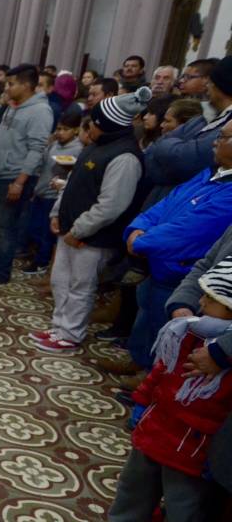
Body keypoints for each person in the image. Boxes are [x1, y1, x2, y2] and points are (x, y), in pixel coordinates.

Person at [93, 256, 232, 522]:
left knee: (183, 500)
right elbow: (162, 369)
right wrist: (143, 399)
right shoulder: (185, 332)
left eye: (209, 299)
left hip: (192, 439)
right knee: (136, 477)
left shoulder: (223, 356)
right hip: (160, 422)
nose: (199, 302)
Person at [31, 88, 150, 354]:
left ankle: (71, 334)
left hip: (92, 237)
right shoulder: (97, 146)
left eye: (95, 123)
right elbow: (73, 183)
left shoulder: (125, 157)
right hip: (69, 229)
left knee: (80, 286)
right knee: (60, 280)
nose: (90, 127)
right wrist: (57, 213)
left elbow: (111, 205)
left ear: (109, 125)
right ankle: (59, 326)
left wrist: (80, 229)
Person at [123, 114, 232, 378]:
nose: (215, 142)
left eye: (223, 137)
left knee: (167, 335)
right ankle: (138, 365)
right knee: (146, 318)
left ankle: (150, 381)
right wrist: (137, 228)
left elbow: (188, 230)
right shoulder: (210, 173)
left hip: (179, 273)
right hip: (157, 264)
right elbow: (164, 205)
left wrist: (142, 241)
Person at [0, 64, 54, 286]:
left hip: (15, 177)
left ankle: (1, 272)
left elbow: (37, 149)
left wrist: (20, 181)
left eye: (11, 84)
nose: (7, 88)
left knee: (7, 227)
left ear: (26, 85)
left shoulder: (40, 111)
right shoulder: (13, 105)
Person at [140, 55, 232, 209]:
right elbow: (151, 152)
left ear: (219, 87)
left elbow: (185, 161)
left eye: (210, 82)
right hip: (161, 203)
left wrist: (165, 152)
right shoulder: (202, 116)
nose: (207, 87)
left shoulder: (228, 127)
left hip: (182, 206)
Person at [21, 106, 84, 276]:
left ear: (76, 130)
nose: (60, 132)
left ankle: (41, 262)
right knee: (34, 227)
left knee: (46, 233)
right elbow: (42, 166)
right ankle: (35, 254)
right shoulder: (54, 145)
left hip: (55, 196)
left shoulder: (78, 149)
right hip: (41, 190)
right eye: (59, 128)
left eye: (65, 129)